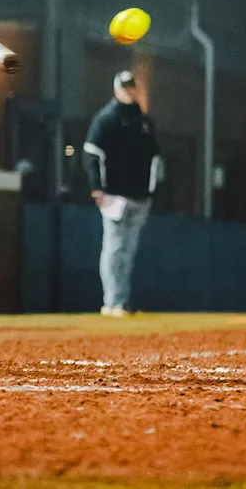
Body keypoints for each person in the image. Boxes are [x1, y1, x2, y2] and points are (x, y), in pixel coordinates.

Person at [82, 71, 162, 317]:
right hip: (114, 195)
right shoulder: (106, 119)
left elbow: (156, 160)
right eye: (125, 87)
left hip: (140, 196)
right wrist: (97, 188)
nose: (129, 91)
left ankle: (122, 301)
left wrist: (153, 190)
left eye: (132, 87)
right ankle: (113, 302)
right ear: (116, 90)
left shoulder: (144, 122)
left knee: (127, 252)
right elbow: (91, 155)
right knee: (114, 249)